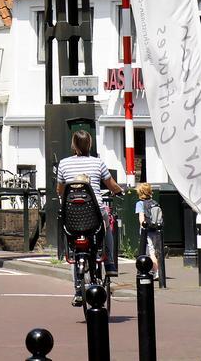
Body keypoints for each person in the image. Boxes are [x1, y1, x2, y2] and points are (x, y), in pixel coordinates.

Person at [56, 129, 123, 306]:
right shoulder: (98, 163)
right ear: (90, 145)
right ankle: (109, 264)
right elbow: (111, 185)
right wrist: (119, 191)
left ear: (74, 145)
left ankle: (77, 288)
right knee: (107, 226)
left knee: (74, 245)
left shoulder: (63, 164)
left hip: (72, 216)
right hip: (94, 214)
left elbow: (60, 190)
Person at [134, 182, 162, 277]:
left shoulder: (140, 204)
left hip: (147, 231)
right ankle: (157, 269)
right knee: (155, 250)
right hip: (156, 230)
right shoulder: (154, 203)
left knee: (150, 251)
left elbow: (141, 219)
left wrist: (143, 228)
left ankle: (155, 271)